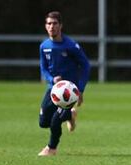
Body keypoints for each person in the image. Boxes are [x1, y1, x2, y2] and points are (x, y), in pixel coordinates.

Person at [38, 11, 90, 156]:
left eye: (55, 23)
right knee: (43, 122)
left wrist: (80, 89)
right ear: (45, 26)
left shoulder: (70, 45)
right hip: (53, 90)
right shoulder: (44, 46)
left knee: (55, 121)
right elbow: (43, 68)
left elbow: (85, 65)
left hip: (69, 92)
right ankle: (70, 116)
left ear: (61, 25)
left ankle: (51, 148)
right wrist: (51, 79)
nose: (51, 26)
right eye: (49, 23)